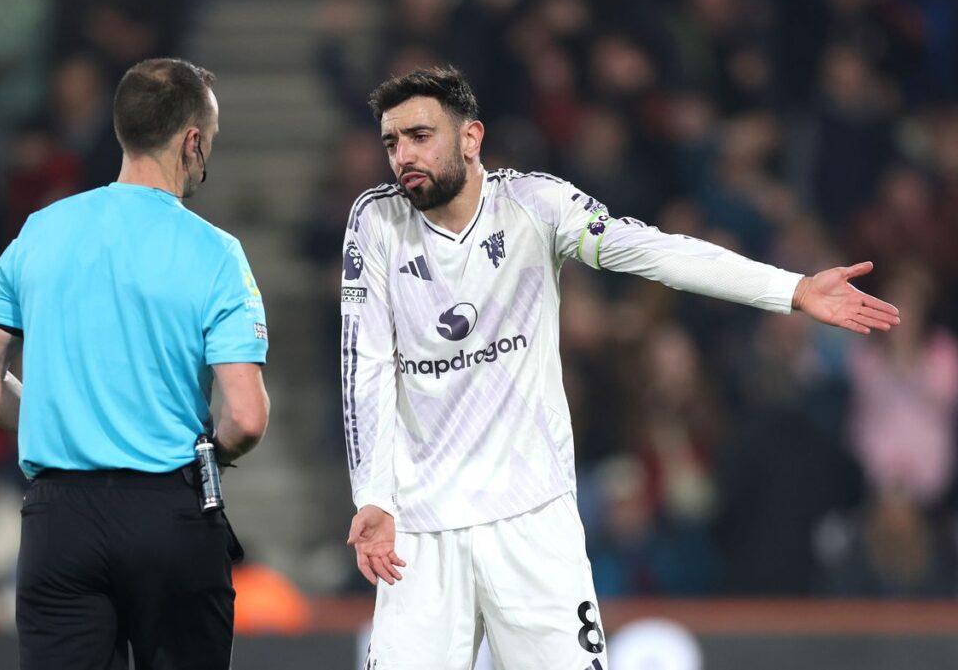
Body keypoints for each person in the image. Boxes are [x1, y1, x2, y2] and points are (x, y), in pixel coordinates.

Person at [341, 66, 900, 670]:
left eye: (420, 136)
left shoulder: (537, 205)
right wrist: (373, 495)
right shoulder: (376, 222)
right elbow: (363, 365)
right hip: (423, 531)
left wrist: (789, 289)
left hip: (533, 520)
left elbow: (656, 251)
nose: (403, 156)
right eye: (392, 143)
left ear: (471, 138)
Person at [0, 58, 270, 670]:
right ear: (193, 141)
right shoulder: (216, 253)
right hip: (170, 515)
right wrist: (211, 456)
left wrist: (63, 423)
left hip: (59, 523)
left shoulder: (39, 231)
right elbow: (247, 416)